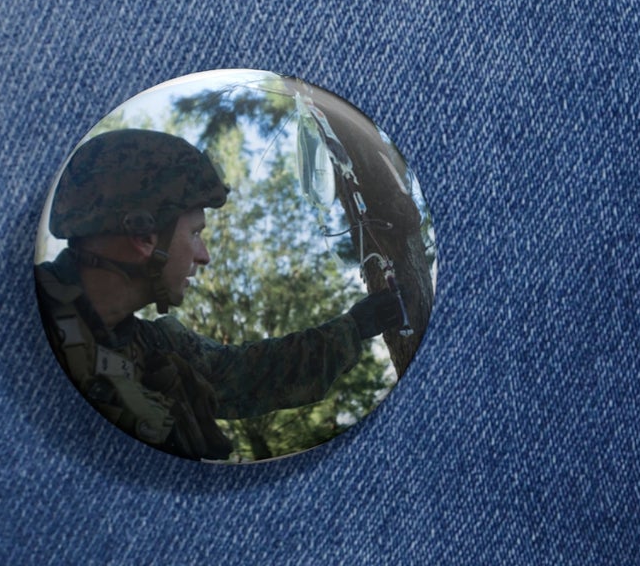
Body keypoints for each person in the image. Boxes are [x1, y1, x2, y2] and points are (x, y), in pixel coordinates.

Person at [35, 128, 401, 460]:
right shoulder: (29, 318)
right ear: (145, 238)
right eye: (195, 233)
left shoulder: (154, 349)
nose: (204, 255)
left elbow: (247, 373)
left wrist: (356, 325)